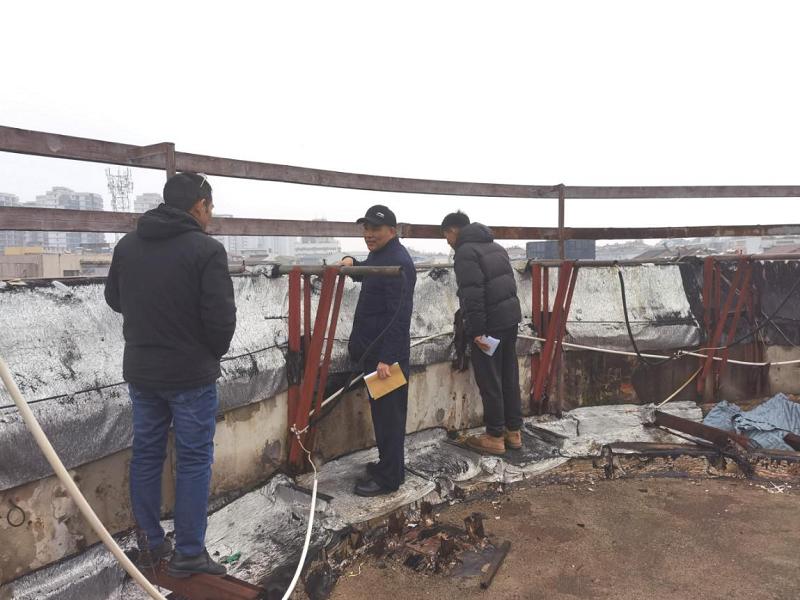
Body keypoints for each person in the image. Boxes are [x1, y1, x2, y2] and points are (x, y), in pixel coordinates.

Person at [105, 172, 236, 577]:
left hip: (143, 372)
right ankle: (190, 554)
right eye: (210, 207)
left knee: (147, 454)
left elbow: (114, 298)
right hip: (190, 377)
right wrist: (208, 354)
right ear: (200, 206)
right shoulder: (207, 249)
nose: (211, 215)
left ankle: (150, 541)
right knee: (194, 460)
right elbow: (221, 320)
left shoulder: (128, 245)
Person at [341, 205, 416, 497]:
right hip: (374, 351)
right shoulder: (381, 255)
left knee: (390, 419)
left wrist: (388, 358)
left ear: (392, 231)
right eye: (366, 228)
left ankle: (389, 479)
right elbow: (373, 279)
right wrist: (354, 265)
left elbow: (400, 316)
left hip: (386, 357)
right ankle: (388, 466)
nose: (369, 234)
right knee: (383, 416)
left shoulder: (398, 261)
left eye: (375, 229)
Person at [441, 210, 523, 455]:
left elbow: (472, 293)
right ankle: (513, 432)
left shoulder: (465, 252)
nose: (447, 242)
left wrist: (477, 331)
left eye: (446, 236)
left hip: (489, 326)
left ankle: (495, 436)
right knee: (509, 376)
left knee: (490, 380)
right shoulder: (497, 247)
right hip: (509, 321)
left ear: (452, 231)